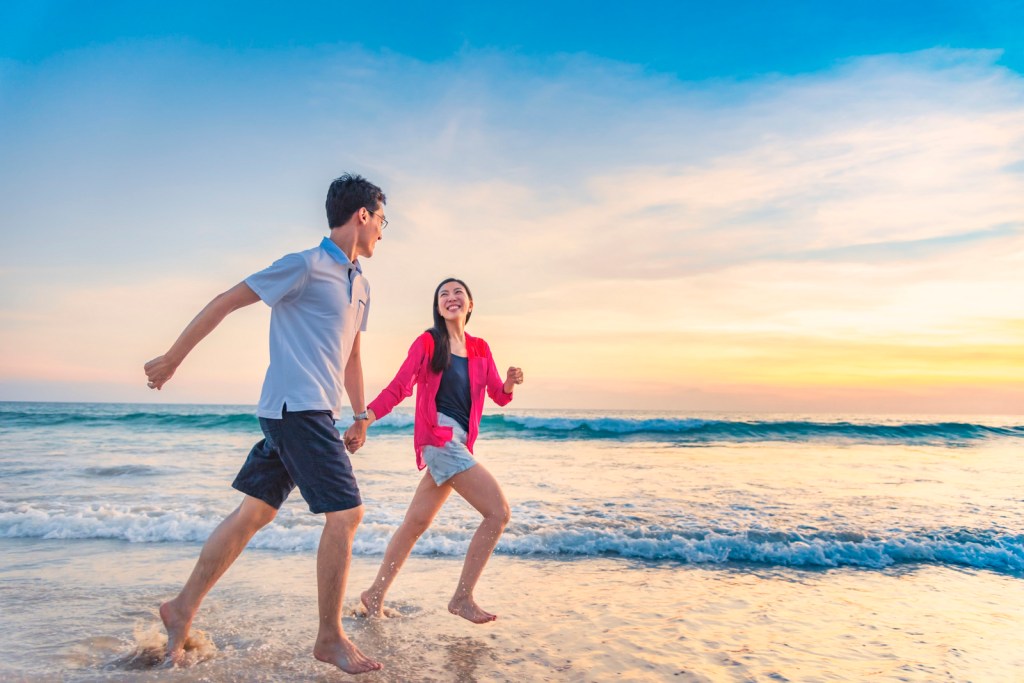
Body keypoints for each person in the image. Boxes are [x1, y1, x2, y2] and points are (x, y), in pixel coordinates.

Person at [143, 174, 387, 674]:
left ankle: (181, 608)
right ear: (363, 215)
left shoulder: (360, 283)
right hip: (295, 409)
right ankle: (330, 637)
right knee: (347, 515)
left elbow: (353, 355)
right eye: (383, 219)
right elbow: (226, 301)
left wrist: (360, 414)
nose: (384, 230)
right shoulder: (305, 265)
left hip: (314, 410)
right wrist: (172, 358)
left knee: (254, 514)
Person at [346, 277, 524, 624]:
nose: (451, 297)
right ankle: (462, 597)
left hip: (456, 442)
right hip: (438, 440)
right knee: (498, 512)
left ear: (470, 305)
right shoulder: (429, 343)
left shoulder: (480, 348)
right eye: (444, 294)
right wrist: (364, 419)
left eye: (458, 292)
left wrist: (509, 382)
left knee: (416, 523)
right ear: (438, 307)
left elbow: (498, 397)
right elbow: (399, 387)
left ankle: (374, 594)